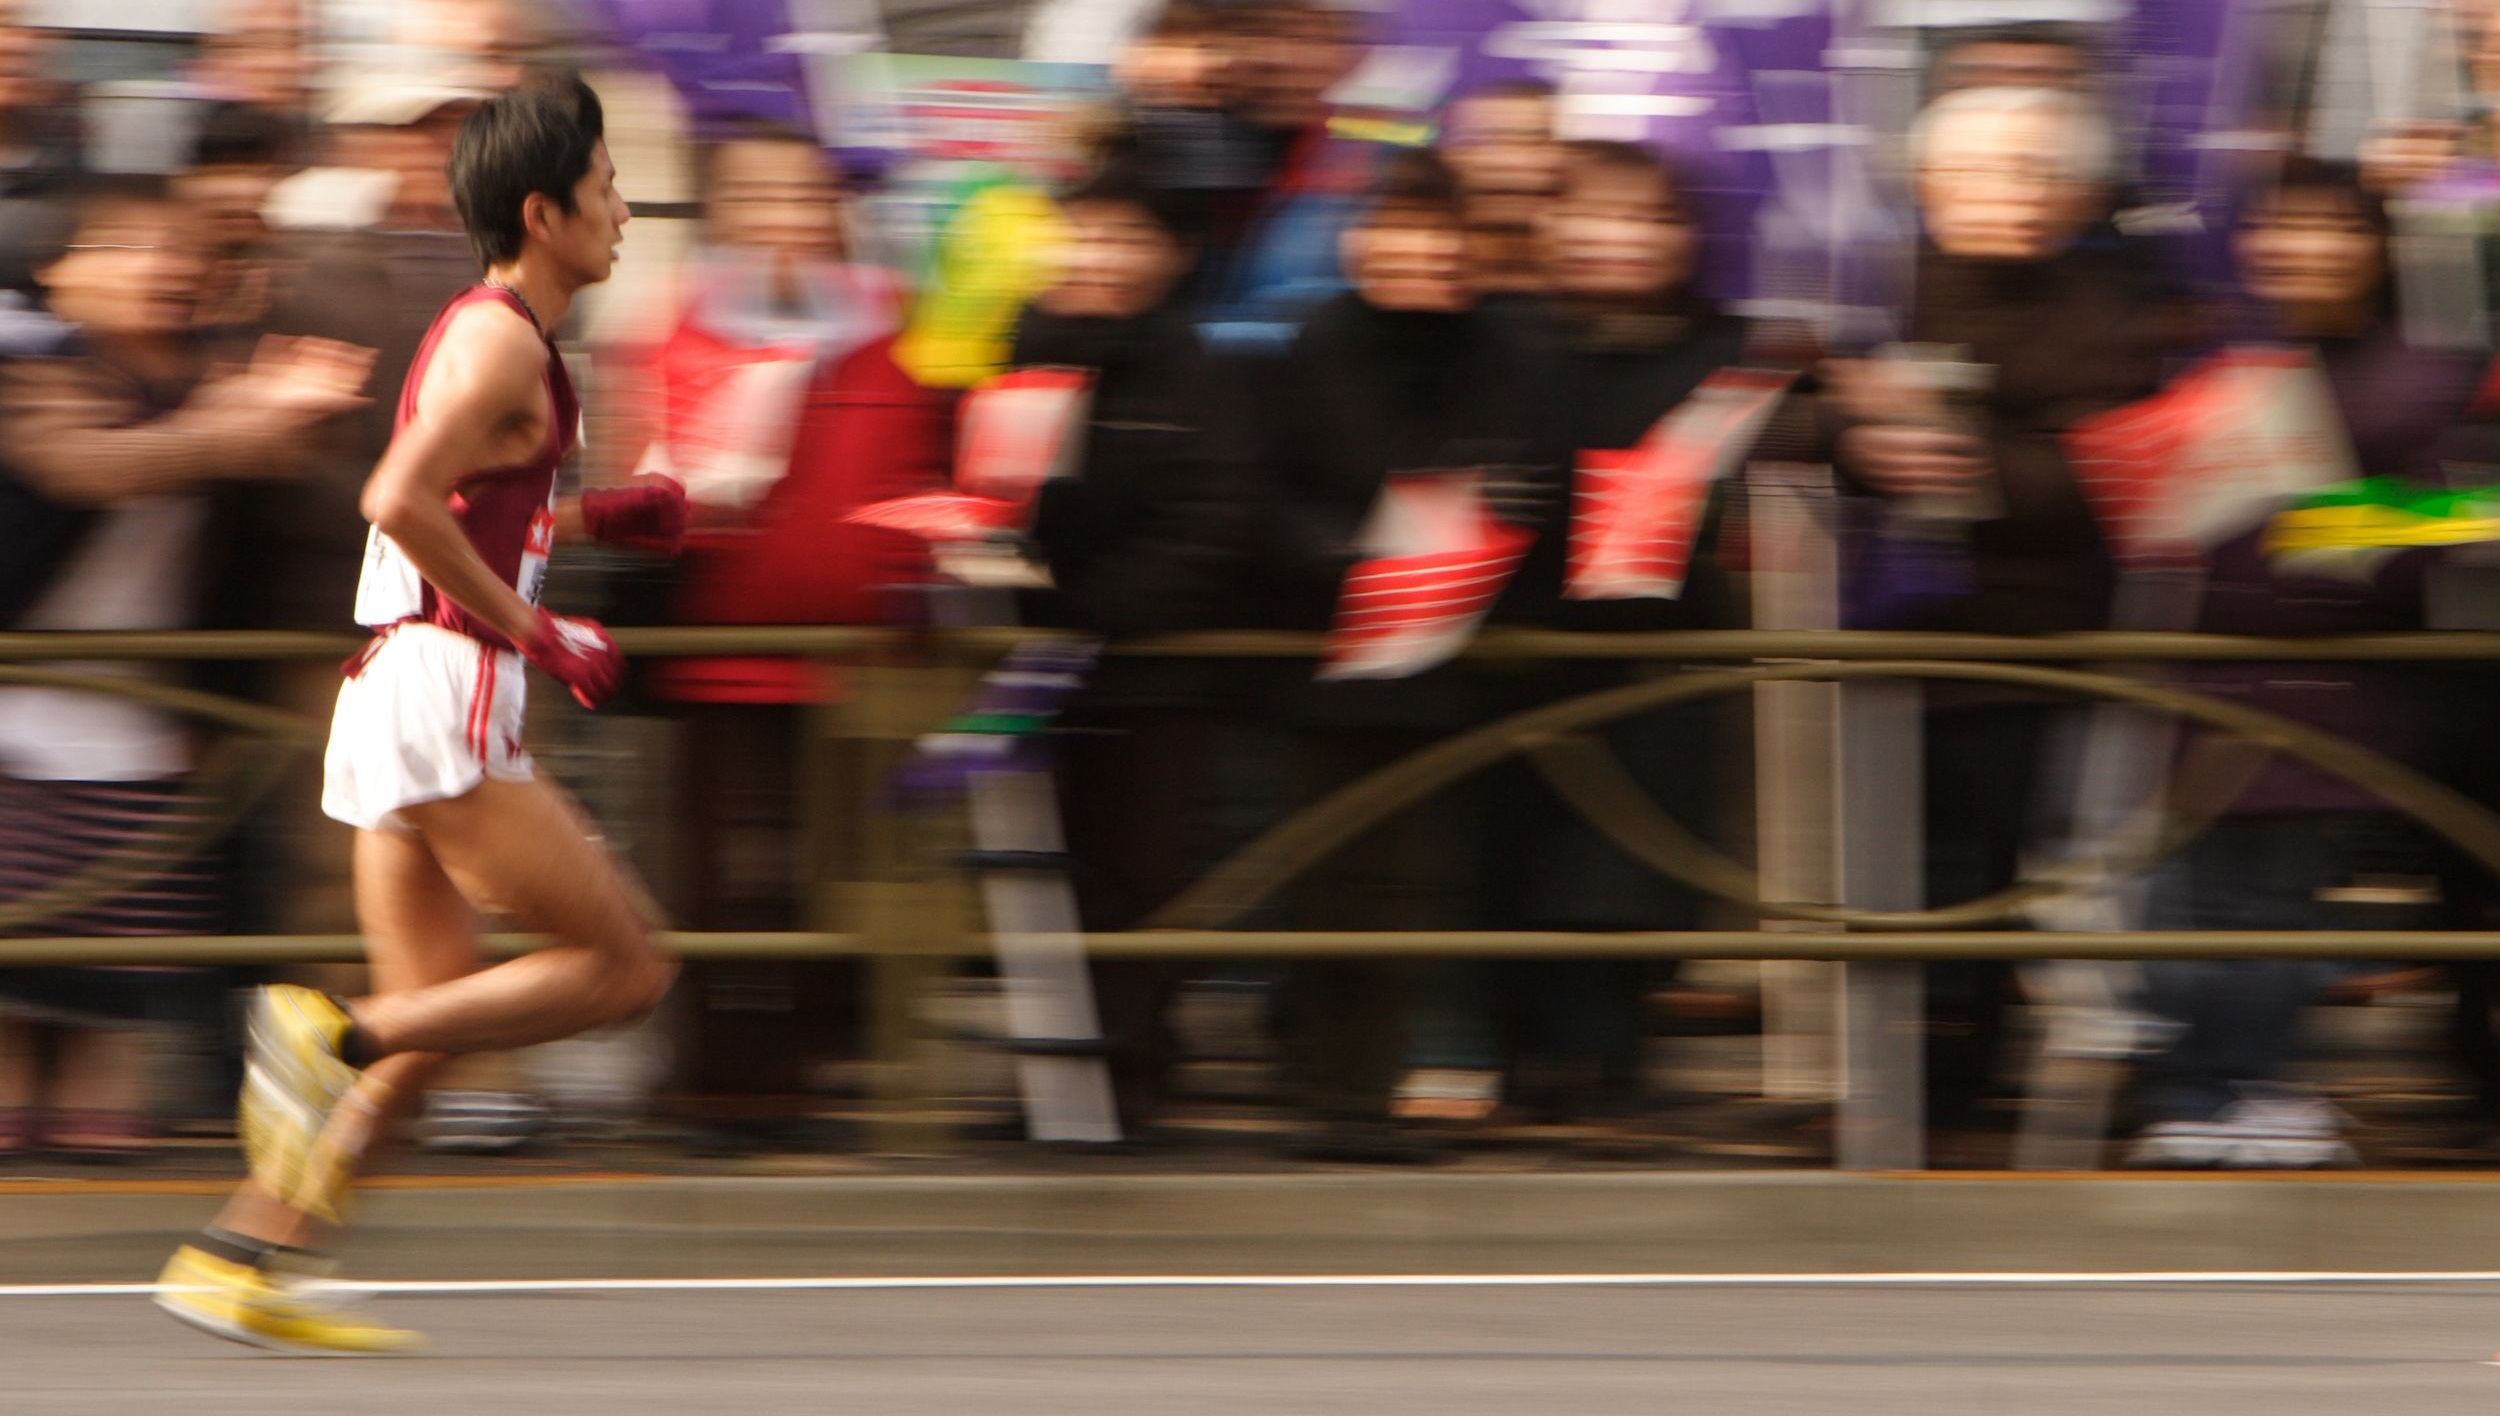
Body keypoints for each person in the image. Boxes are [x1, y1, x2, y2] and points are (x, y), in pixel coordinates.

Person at [156, 73, 683, 1355]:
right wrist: (540, 630)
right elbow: (396, 498)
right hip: (449, 689)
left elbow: (474, 491)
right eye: (608, 188)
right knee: (624, 967)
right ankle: (326, 1031)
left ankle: (240, 1257)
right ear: (545, 210)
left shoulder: (496, 329)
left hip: (402, 685)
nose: (626, 210)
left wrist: (600, 516)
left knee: (443, 1009)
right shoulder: (505, 334)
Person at [1823, 84, 2192, 1159]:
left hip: (2049, 636)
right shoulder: (1869, 288)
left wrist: (1969, 459)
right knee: (1894, 874)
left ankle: (2039, 1078)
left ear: (2078, 192)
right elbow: (1768, 406)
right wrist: (1852, 437)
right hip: (1875, 636)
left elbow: (2117, 463)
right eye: (1983, 168)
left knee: (2028, 872)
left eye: (2036, 169)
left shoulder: (2116, 306)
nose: (2010, 192)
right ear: (1926, 181)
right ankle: (1906, 1083)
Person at [0, 176, 373, 1160]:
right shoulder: (32, 366)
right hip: (28, 705)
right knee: (19, 947)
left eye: (177, 250)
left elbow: (300, 485)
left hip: (151, 711)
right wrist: (240, 425)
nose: (160, 270)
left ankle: (91, 1122)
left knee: (115, 964)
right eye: (123, 248)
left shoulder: (213, 375)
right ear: (58, 271)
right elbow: (83, 465)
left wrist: (300, 416)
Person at [2127, 159, 2477, 1167]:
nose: (2305, 250)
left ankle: (2257, 1087)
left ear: (2377, 247)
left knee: (2273, 898)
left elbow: (2472, 508)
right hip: (2195, 669)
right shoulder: (2205, 353)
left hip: (2339, 676)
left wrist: (2315, 514)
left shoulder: (2432, 362)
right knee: (2186, 900)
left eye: (2334, 229)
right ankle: (2197, 1092)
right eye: (2279, 228)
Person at [1013, 156, 1252, 1130]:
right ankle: (1049, 1087)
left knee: (1144, 881)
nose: (1102, 256)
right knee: (1038, 873)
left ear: (1172, 256)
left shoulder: (1202, 370)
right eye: (1086, 233)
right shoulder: (1024, 353)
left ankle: (1132, 1076)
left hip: (1156, 674)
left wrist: (1089, 605)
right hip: (1032, 670)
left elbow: (1213, 519)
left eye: (1128, 238)